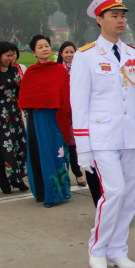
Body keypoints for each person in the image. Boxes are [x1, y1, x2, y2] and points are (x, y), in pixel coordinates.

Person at [70, 0, 135, 268]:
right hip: (101, 139)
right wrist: (82, 149)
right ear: (100, 19)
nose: (120, 20)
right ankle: (97, 248)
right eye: (114, 15)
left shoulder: (133, 54)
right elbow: (79, 106)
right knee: (114, 192)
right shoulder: (86, 56)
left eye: (123, 15)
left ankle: (118, 249)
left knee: (129, 197)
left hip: (128, 137)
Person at [19, 34, 73, 208]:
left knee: (58, 153)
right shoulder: (30, 73)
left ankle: (60, 191)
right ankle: (44, 192)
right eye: (40, 47)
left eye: (47, 46)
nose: (44, 49)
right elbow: (25, 98)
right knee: (40, 153)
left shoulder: (59, 71)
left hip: (56, 118)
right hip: (38, 118)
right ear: (34, 52)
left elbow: (66, 96)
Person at [0, 41, 29, 194]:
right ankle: (5, 180)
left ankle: (17, 177)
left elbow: (20, 92)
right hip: (0, 117)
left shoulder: (14, 72)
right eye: (7, 55)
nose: (10, 58)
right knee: (4, 149)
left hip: (14, 114)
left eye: (12, 55)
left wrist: (25, 108)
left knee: (20, 146)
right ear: (0, 55)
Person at [57, 40, 88, 189]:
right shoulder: (57, 70)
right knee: (64, 144)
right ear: (61, 54)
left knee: (75, 143)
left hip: (78, 110)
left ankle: (78, 172)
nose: (69, 55)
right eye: (66, 52)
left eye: (71, 51)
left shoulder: (80, 68)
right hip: (63, 111)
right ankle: (68, 174)